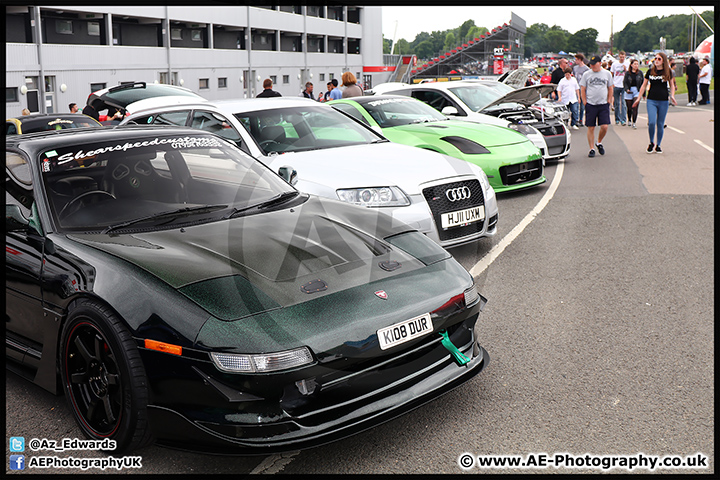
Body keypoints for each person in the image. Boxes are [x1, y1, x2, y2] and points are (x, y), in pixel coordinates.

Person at [633, 52, 677, 154]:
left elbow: (672, 85)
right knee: (652, 122)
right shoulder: (650, 71)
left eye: (659, 59)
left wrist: (672, 96)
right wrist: (639, 98)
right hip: (651, 99)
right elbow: (644, 85)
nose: (656, 61)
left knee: (660, 124)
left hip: (663, 100)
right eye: (655, 59)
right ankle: (651, 142)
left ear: (663, 61)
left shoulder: (668, 72)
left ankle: (659, 145)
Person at [579, 55, 613, 158]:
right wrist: (584, 101)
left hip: (603, 104)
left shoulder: (607, 74)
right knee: (591, 127)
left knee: (604, 126)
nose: (592, 66)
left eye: (594, 64)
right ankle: (591, 148)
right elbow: (583, 88)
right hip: (591, 104)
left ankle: (599, 142)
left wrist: (609, 100)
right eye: (591, 65)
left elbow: (610, 87)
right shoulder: (587, 74)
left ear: (599, 63)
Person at [610, 51, 629, 125]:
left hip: (624, 85)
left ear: (625, 57)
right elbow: (611, 74)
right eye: (620, 57)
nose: (622, 59)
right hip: (616, 85)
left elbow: (629, 74)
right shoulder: (615, 64)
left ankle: (623, 119)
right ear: (618, 57)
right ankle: (617, 118)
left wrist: (625, 69)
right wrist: (612, 83)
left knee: (623, 103)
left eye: (623, 57)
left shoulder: (627, 63)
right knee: (617, 103)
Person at [623, 58, 643, 129]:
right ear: (631, 65)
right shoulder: (628, 73)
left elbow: (643, 83)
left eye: (637, 64)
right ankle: (629, 119)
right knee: (629, 107)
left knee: (635, 106)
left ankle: (634, 122)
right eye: (635, 64)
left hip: (637, 90)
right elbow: (625, 82)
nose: (636, 65)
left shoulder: (640, 73)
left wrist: (643, 94)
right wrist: (626, 89)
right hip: (629, 90)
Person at [573, 54, 590, 126]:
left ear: (580, 60)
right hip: (576, 88)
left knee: (583, 105)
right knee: (576, 104)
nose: (575, 61)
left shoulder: (586, 69)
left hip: (583, 88)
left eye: (576, 60)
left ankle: (581, 119)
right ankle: (576, 119)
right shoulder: (575, 68)